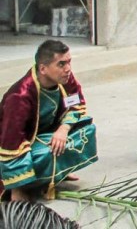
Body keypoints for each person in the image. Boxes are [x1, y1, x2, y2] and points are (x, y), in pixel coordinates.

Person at [0, 40, 97, 200]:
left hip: (47, 133)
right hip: (19, 145)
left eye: (69, 62)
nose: (68, 69)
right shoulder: (19, 97)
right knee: (46, 153)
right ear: (43, 69)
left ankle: (58, 171)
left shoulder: (65, 79)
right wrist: (18, 191)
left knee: (86, 131)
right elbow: (11, 145)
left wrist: (63, 129)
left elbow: (76, 104)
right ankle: (26, 184)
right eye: (61, 64)